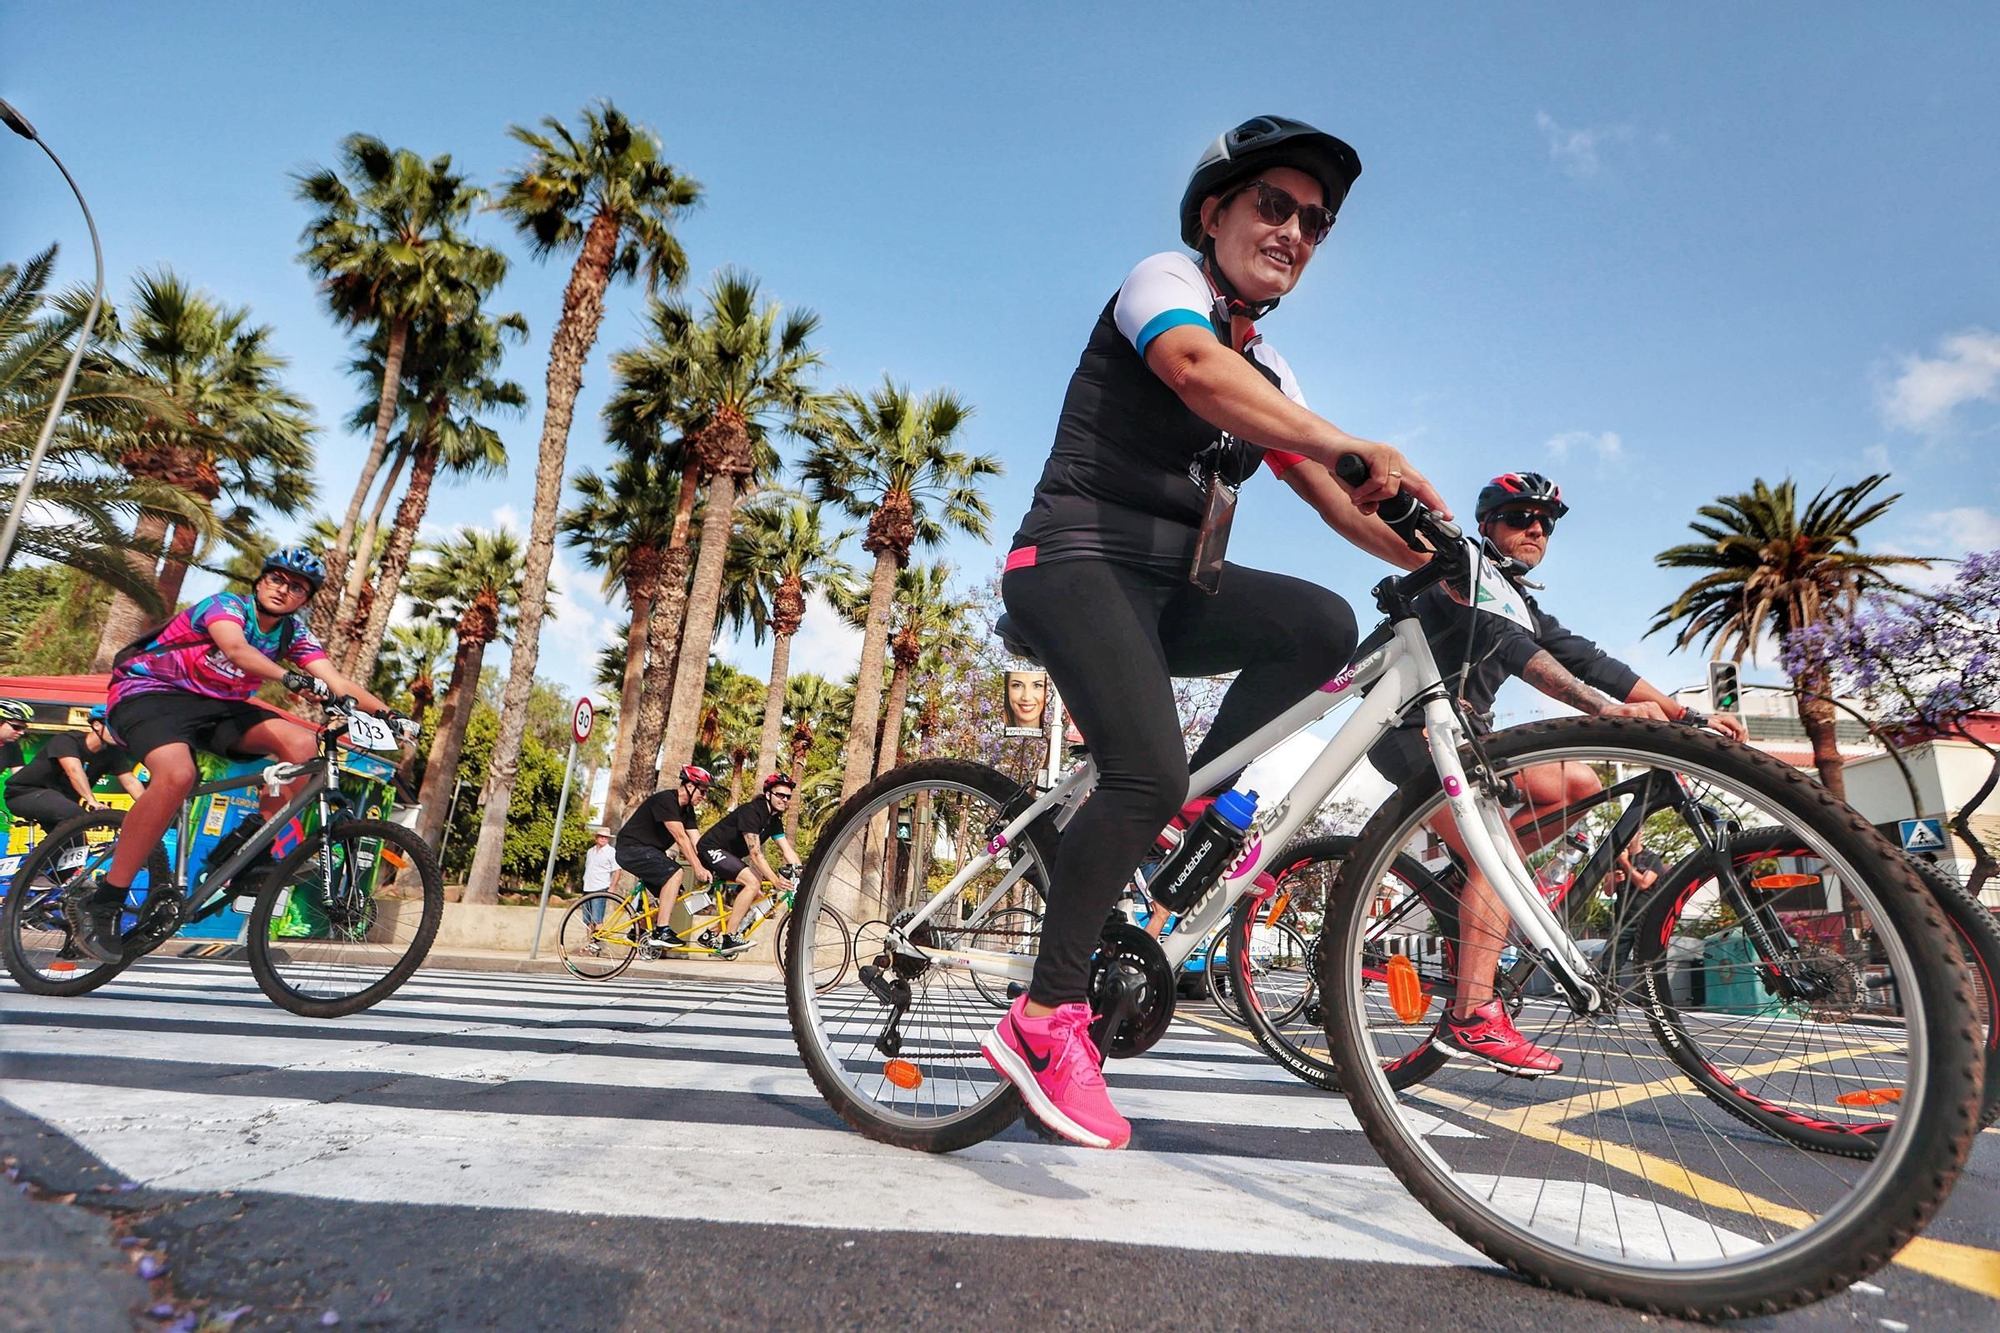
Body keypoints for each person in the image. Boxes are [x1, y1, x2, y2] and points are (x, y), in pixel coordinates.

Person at [982, 115, 1448, 1151]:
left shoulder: (1270, 365)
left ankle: (1175, 803)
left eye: (1313, 223)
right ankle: (1043, 1020)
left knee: (1319, 620)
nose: (1292, 231)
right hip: (1071, 561)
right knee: (1139, 772)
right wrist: (1345, 442)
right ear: (1214, 214)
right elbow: (1194, 369)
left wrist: (1444, 560)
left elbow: (1336, 497)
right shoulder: (1164, 282)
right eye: (1271, 206)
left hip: (1164, 589)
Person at [1365, 471, 1748, 1076]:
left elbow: (1588, 659)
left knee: (1583, 784)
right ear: (1487, 524)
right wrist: (1603, 710)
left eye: (1546, 523)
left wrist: (1685, 713)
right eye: (1521, 517)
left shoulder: (1520, 602)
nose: (1536, 529)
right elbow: (1521, 656)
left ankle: (1500, 875)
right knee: (1500, 862)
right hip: (1410, 733)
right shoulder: (1459, 574)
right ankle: (1472, 1014)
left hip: (1471, 740)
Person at [63, 547, 404, 962]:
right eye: (277, 579)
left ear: (305, 601)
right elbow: (237, 650)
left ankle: (247, 849)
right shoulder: (225, 606)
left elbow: (335, 680)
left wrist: (390, 715)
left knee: (300, 744)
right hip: (150, 694)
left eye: (297, 587)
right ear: (261, 581)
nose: (283, 589)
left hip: (218, 709)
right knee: (177, 776)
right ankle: (105, 900)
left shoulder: (291, 634)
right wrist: (290, 678)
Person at [695, 772, 802, 955]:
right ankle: (730, 937)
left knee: (756, 896)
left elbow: (787, 851)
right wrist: (776, 881)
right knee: (753, 882)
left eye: (788, 797)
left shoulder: (773, 820)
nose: (785, 800)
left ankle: (710, 934)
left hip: (730, 856)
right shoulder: (752, 811)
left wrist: (802, 873)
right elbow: (755, 853)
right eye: (780, 795)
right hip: (710, 849)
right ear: (768, 794)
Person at [1, 705, 145, 832]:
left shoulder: (113, 752)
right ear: (96, 725)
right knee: (75, 814)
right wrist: (91, 800)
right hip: (25, 794)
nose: (119, 733)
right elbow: (74, 771)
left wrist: (151, 807)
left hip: (59, 800)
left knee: (75, 844)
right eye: (114, 728)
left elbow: (131, 782)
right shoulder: (67, 740)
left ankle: (56, 862)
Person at [614, 764, 714, 947]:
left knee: (676, 891)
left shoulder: (688, 811)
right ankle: (661, 931)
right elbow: (681, 838)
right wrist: (698, 868)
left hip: (650, 852)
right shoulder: (666, 800)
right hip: (631, 849)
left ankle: (638, 930)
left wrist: (714, 864)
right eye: (703, 791)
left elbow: (697, 842)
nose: (704, 797)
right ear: (689, 786)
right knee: (675, 873)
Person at [0, 698, 36, 779]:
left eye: (24, 728)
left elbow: (21, 778)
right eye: (16, 727)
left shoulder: (11, 745)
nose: (21, 732)